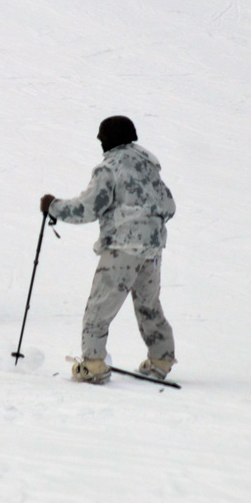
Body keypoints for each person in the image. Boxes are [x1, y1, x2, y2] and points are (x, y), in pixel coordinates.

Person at [40, 116, 177, 384]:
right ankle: (161, 359)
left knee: (99, 307)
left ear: (110, 138)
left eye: (102, 136)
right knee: (148, 304)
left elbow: (88, 208)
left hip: (122, 248)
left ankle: (93, 364)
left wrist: (53, 206)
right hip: (152, 247)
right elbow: (169, 205)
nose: (99, 141)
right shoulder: (148, 166)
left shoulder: (110, 168)